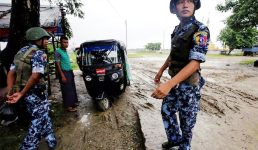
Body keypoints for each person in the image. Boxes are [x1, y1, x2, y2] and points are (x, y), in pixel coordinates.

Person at [151, 0, 210, 149]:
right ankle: (174, 139)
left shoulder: (200, 29)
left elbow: (195, 63)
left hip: (190, 84)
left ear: (195, 6)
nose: (185, 5)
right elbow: (173, 54)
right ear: (174, 8)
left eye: (189, 1)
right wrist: (161, 70)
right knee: (167, 109)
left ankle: (185, 147)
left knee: (187, 121)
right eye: (180, 2)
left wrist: (168, 85)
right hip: (175, 81)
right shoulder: (178, 29)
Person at [6, 27, 57, 149]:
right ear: (37, 39)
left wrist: (10, 91)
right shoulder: (39, 53)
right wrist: (21, 93)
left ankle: (51, 140)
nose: (47, 41)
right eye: (45, 39)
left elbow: (11, 73)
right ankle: (27, 147)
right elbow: (35, 76)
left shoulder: (21, 52)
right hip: (35, 93)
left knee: (44, 114)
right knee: (38, 122)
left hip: (26, 95)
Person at [54, 36, 78, 112]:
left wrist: (72, 72)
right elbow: (57, 64)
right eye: (64, 42)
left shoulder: (65, 51)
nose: (66, 44)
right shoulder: (58, 51)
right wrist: (62, 75)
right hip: (64, 72)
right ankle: (68, 106)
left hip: (69, 72)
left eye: (67, 42)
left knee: (72, 88)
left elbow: (67, 62)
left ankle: (72, 103)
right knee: (66, 90)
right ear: (60, 43)